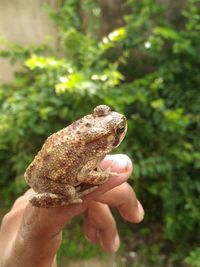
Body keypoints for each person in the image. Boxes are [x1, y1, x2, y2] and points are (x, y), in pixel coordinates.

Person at [0, 154, 144, 267]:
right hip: (55, 181)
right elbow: (83, 176)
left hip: (43, 170)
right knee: (70, 191)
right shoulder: (95, 149)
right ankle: (70, 195)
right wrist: (105, 175)